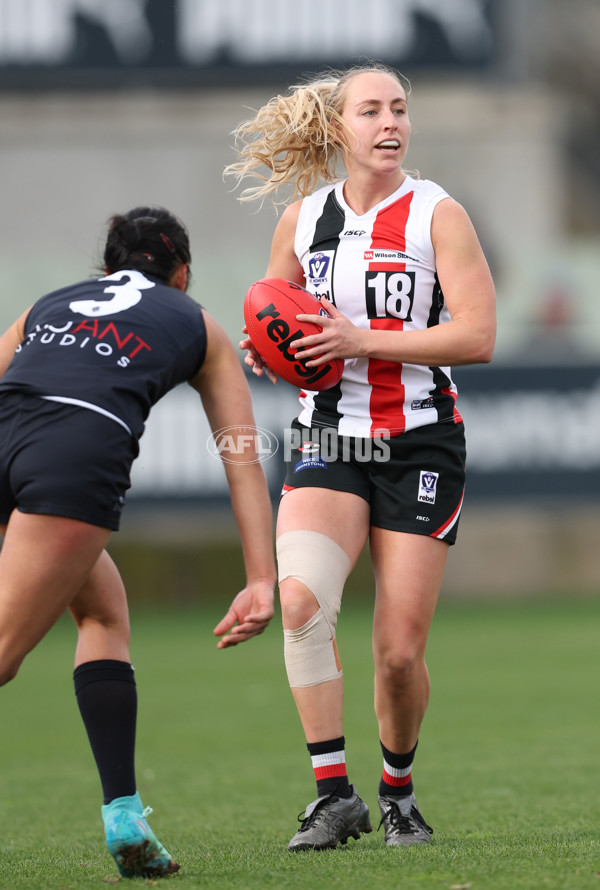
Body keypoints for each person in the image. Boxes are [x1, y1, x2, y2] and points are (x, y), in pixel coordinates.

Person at [225, 63, 496, 850]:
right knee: (303, 606)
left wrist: (360, 339)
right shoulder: (302, 219)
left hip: (419, 442)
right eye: (372, 110)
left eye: (401, 109)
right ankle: (332, 794)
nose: (390, 123)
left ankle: (399, 793)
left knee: (399, 654)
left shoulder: (438, 213)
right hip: (328, 435)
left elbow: (477, 336)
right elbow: (277, 315)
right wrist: (265, 349)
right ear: (338, 128)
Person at [0, 207, 276, 877]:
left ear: (107, 267)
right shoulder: (198, 324)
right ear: (182, 273)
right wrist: (262, 578)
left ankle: (124, 816)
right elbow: (241, 455)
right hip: (70, 456)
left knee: (102, 611)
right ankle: (121, 815)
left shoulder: (50, 302)